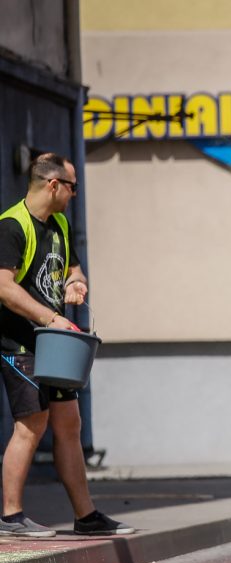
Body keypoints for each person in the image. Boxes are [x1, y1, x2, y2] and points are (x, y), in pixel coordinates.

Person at [0, 153, 135, 538]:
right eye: (72, 187)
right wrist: (48, 316)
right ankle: (11, 517)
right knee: (31, 423)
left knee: (69, 424)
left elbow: (73, 268)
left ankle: (86, 516)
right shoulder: (12, 225)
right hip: (19, 342)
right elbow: (3, 286)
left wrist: (76, 283)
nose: (76, 194)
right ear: (53, 185)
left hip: (55, 343)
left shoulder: (58, 223)